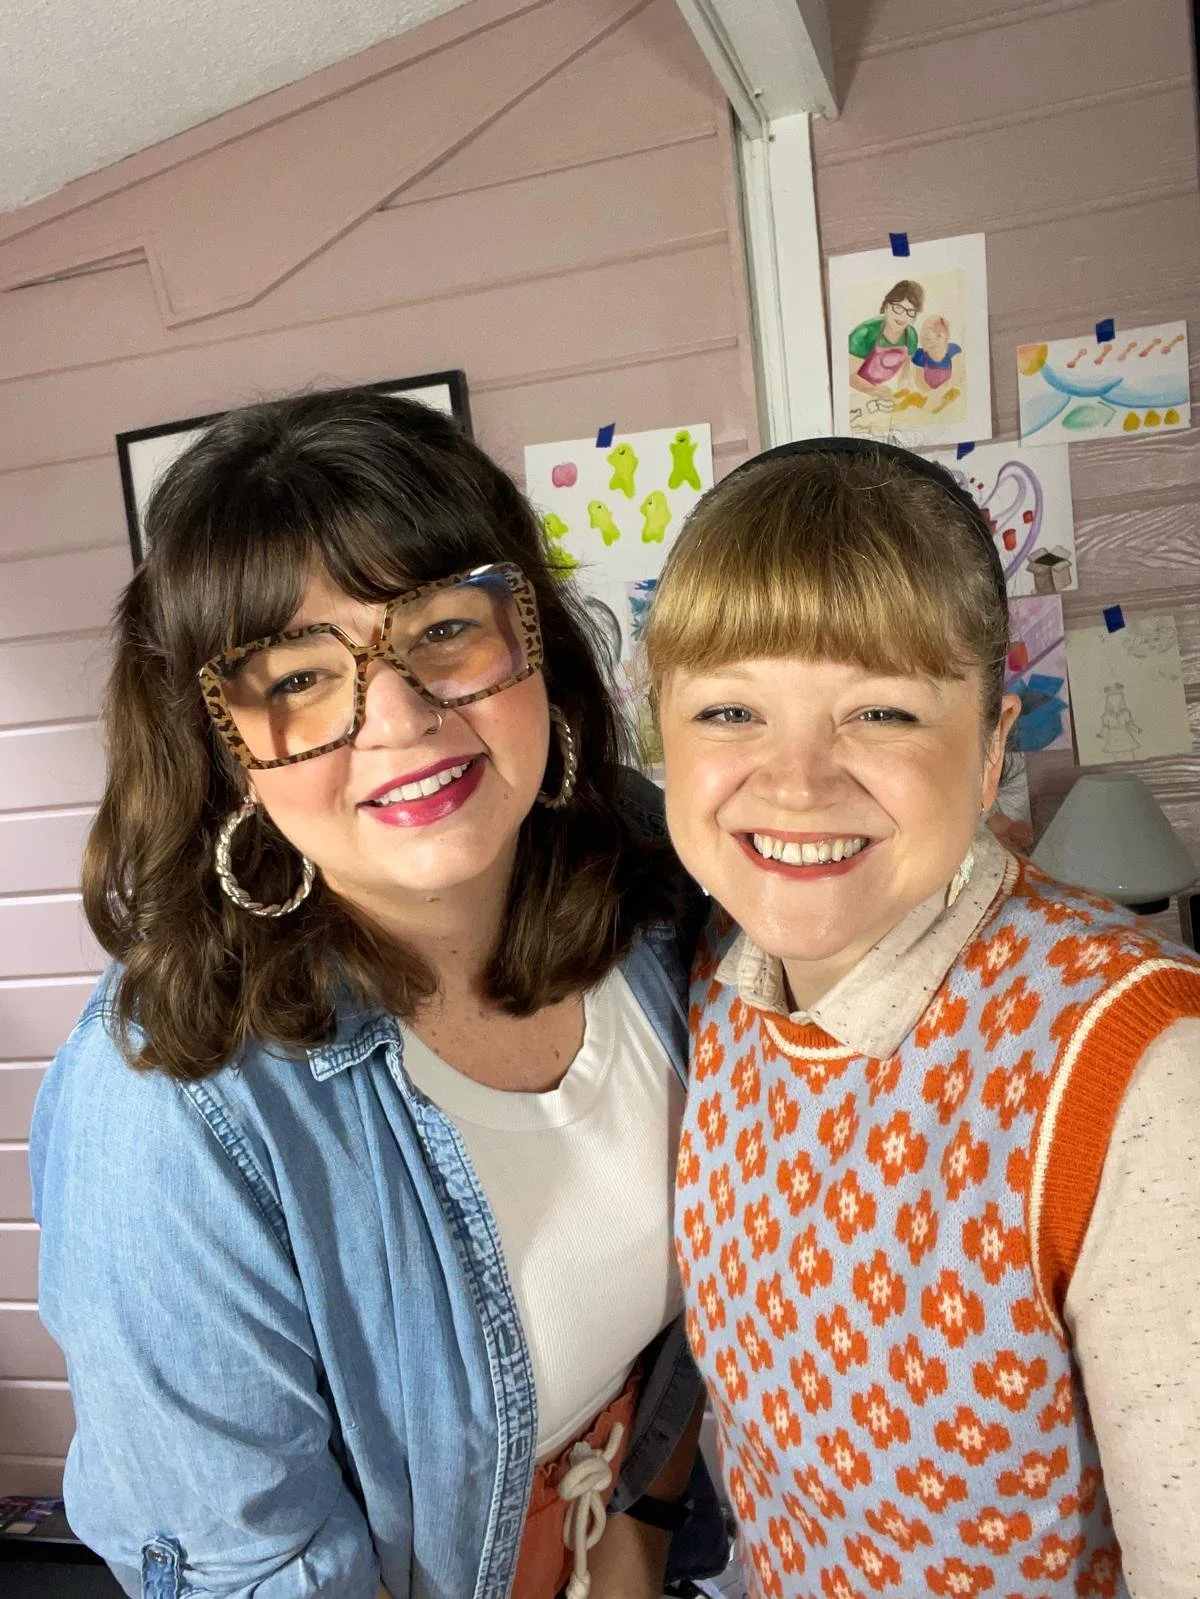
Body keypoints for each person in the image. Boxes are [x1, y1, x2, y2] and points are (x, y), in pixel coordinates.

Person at [30, 391, 727, 1599]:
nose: (399, 719)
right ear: (219, 745)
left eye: (445, 630)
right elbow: (244, 1571)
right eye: (295, 676)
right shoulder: (168, 1107)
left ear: (535, 647)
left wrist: (639, 1537)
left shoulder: (650, 871)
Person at [644, 438, 1200, 1598]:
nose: (796, 781)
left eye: (882, 712)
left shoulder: (1141, 1069)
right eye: (732, 709)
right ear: (660, 733)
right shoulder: (709, 974)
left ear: (995, 743)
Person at [846, 281, 922, 402]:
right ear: (886, 306)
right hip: (854, 392)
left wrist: (905, 386)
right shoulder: (864, 334)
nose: (903, 316)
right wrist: (871, 390)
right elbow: (848, 376)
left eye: (910, 311)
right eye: (898, 308)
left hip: (882, 393)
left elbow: (906, 370)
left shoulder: (911, 335)